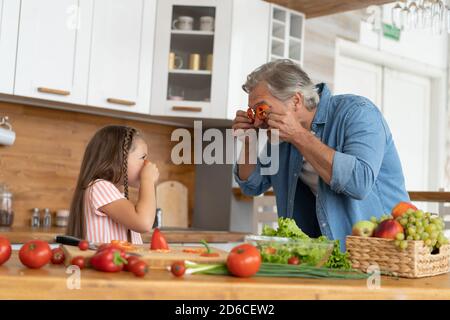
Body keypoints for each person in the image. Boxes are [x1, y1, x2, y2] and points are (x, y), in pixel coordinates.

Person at [233, 59, 410, 249]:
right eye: (253, 113)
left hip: (384, 248)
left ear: (296, 100)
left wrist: (299, 136)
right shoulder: (281, 135)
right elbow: (252, 185)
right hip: (321, 253)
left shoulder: (357, 113)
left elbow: (359, 183)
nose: (258, 123)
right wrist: (249, 141)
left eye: (262, 110)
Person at [67, 125, 159, 244]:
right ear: (119, 158)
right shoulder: (99, 187)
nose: (147, 163)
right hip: (108, 262)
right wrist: (147, 180)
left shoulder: (111, 192)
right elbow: (144, 223)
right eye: (143, 157)